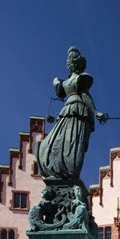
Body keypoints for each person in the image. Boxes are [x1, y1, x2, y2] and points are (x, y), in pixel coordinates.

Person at [36, 46, 108, 180]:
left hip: (79, 110)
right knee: (59, 139)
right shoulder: (64, 83)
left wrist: (96, 112)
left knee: (75, 141)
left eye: (71, 61)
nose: (69, 64)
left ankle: (70, 169)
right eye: (68, 61)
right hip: (66, 111)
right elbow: (60, 91)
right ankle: (57, 166)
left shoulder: (82, 78)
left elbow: (85, 96)